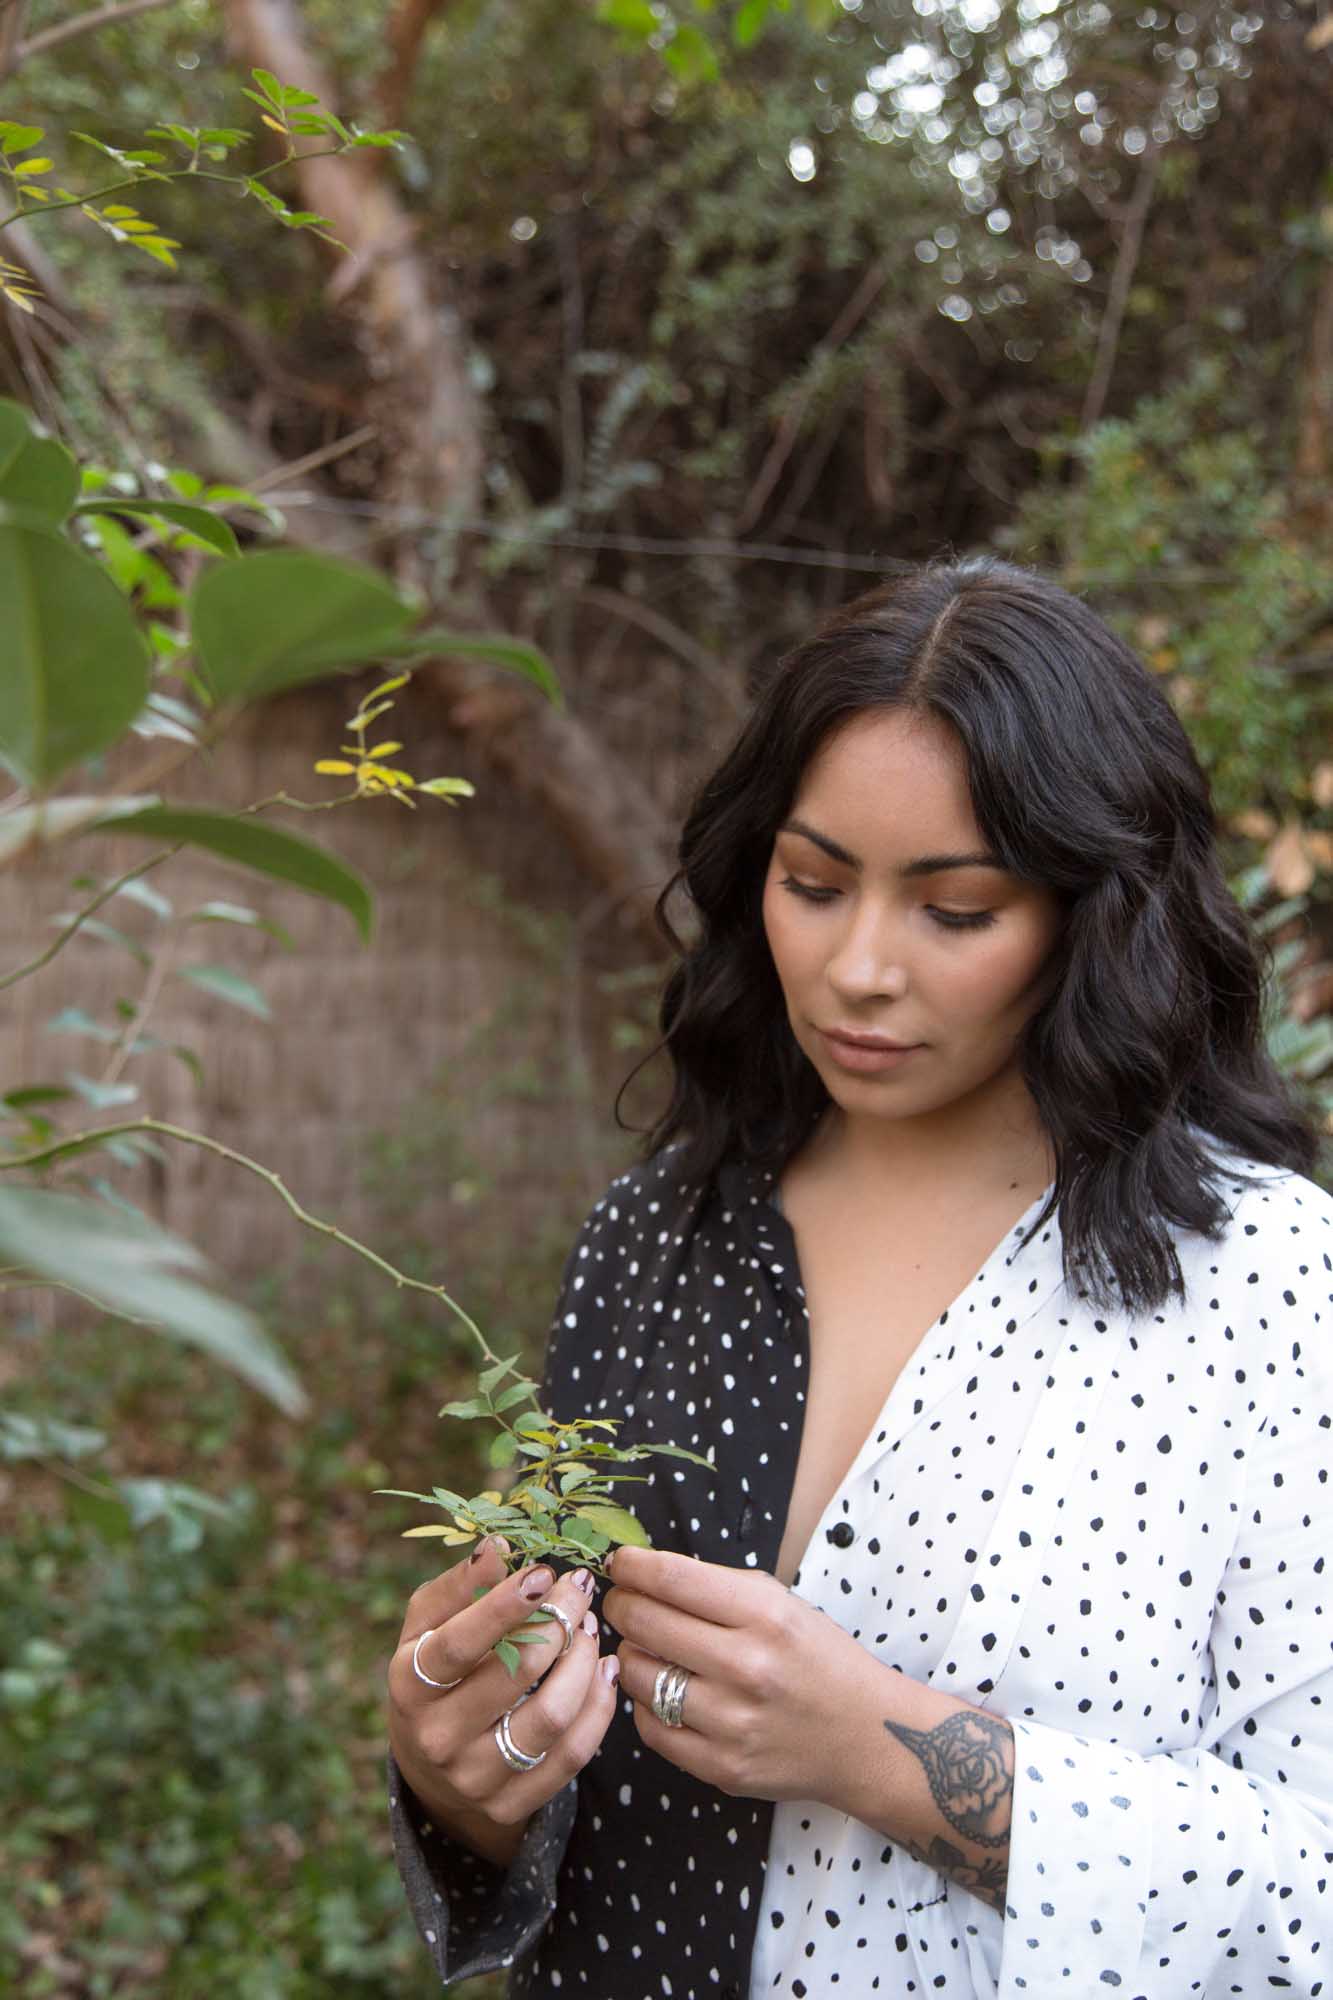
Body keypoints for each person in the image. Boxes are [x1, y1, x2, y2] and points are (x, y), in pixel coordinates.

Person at [384, 556, 1332, 1998]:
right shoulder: (656, 1245)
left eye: (955, 912)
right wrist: (467, 1769)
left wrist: (876, 1752)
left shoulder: (1263, 1288)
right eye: (811, 884)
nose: (858, 969)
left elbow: (1309, 1900)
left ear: (1095, 911)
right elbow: (562, 1817)